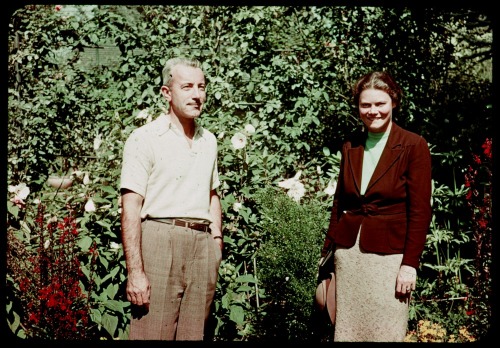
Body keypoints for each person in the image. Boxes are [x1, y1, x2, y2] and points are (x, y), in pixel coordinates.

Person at [319, 71, 432, 342]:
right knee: (347, 332)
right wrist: (327, 255)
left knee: (386, 332)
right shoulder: (351, 146)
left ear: (393, 102)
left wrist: (409, 265)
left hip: (389, 259)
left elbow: (420, 211)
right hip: (349, 255)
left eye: (380, 103)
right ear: (358, 107)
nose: (373, 111)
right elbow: (339, 202)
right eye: (365, 105)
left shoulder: (413, 145)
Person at [120, 57, 223, 340]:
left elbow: (212, 194)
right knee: (152, 333)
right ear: (167, 92)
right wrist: (136, 272)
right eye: (187, 86)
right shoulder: (145, 138)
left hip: (202, 246)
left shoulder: (209, 140)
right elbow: (130, 208)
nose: (197, 95)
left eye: (201, 87)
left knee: (194, 334)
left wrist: (216, 244)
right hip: (159, 240)